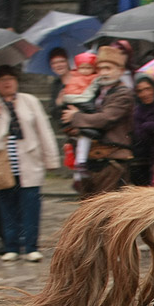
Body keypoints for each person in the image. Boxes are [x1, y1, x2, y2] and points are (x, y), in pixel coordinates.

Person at [0, 65, 59, 262]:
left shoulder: (30, 101)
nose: (7, 82)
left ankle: (31, 246)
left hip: (29, 161)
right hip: (2, 164)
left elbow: (43, 130)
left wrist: (51, 158)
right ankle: (11, 245)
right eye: (2, 80)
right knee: (6, 205)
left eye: (10, 78)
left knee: (31, 205)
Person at [61, 45, 135, 197]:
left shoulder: (123, 94)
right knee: (88, 209)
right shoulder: (94, 92)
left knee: (105, 210)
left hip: (112, 161)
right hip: (91, 161)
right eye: (100, 69)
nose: (103, 73)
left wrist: (75, 117)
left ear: (120, 71)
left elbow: (105, 118)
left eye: (108, 68)